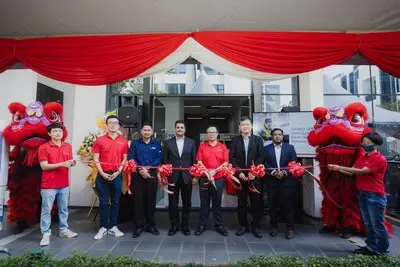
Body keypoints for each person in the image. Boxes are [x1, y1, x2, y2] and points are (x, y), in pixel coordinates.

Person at [328, 132, 389, 256]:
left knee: (377, 224)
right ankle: (370, 247)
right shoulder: (363, 157)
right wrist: (336, 168)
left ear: (376, 144)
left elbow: (362, 172)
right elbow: (352, 173)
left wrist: (338, 166)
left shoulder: (379, 158)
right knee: (368, 223)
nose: (364, 144)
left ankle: (381, 250)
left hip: (375, 195)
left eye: (368, 142)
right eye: (363, 142)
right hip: (363, 194)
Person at [38, 123, 78, 246]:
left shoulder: (67, 146)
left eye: (60, 131)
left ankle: (63, 230)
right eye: (55, 131)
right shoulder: (43, 147)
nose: (58, 133)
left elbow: (68, 163)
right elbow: (44, 166)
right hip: (49, 185)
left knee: (64, 209)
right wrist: (62, 164)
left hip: (64, 184)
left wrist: (71, 163)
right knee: (46, 210)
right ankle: (45, 233)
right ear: (49, 133)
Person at [92, 115, 128, 240]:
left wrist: (118, 172)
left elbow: (124, 159)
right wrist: (102, 173)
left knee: (116, 202)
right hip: (102, 175)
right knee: (104, 202)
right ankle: (103, 227)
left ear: (119, 125)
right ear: (107, 125)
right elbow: (96, 159)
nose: (113, 125)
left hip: (116, 175)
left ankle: (113, 226)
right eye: (110, 123)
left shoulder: (123, 141)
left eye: (115, 123)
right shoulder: (99, 140)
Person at [230, 116, 265, 238]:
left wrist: (254, 173)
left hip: (255, 177)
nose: (245, 126)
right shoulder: (235, 140)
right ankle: (243, 225)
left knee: (256, 203)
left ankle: (256, 226)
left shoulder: (258, 140)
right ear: (240, 127)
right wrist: (239, 172)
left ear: (251, 126)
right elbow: (232, 157)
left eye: (247, 124)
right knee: (241, 203)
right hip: (240, 177)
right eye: (242, 125)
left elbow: (261, 157)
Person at [163, 120, 197, 236]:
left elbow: (194, 161)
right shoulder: (168, 143)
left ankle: (185, 226)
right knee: (173, 203)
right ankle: (174, 225)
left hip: (187, 177)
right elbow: (164, 161)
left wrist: (194, 177)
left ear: (185, 129)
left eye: (182, 127)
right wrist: (164, 176)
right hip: (173, 177)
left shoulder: (191, 142)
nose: (180, 129)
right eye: (178, 127)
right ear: (175, 129)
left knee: (187, 203)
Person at [194, 126, 229, 236]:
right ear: (207, 134)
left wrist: (214, 171)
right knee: (204, 203)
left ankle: (219, 225)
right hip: (205, 178)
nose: (211, 134)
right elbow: (199, 162)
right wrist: (208, 173)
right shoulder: (202, 146)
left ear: (217, 133)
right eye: (209, 132)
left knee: (217, 203)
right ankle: (202, 225)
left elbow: (226, 162)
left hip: (218, 178)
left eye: (213, 132)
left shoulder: (222, 147)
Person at [129, 123, 162, 238]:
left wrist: (147, 168)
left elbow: (159, 158)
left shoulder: (157, 144)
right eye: (145, 130)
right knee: (138, 202)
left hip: (151, 175)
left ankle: (151, 225)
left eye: (149, 130)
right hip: (138, 175)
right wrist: (141, 170)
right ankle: (139, 226)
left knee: (151, 201)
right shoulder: (135, 143)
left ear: (151, 132)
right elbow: (131, 158)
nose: (147, 132)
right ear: (141, 132)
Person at [264, 128, 298, 239]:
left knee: (288, 206)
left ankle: (290, 229)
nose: (277, 136)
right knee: (272, 205)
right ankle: (273, 227)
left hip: (286, 181)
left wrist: (284, 172)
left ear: (283, 136)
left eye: (279, 134)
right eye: (275, 135)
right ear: (271, 136)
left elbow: (294, 162)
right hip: (272, 181)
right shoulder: (266, 149)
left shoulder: (290, 148)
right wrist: (274, 172)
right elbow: (264, 163)